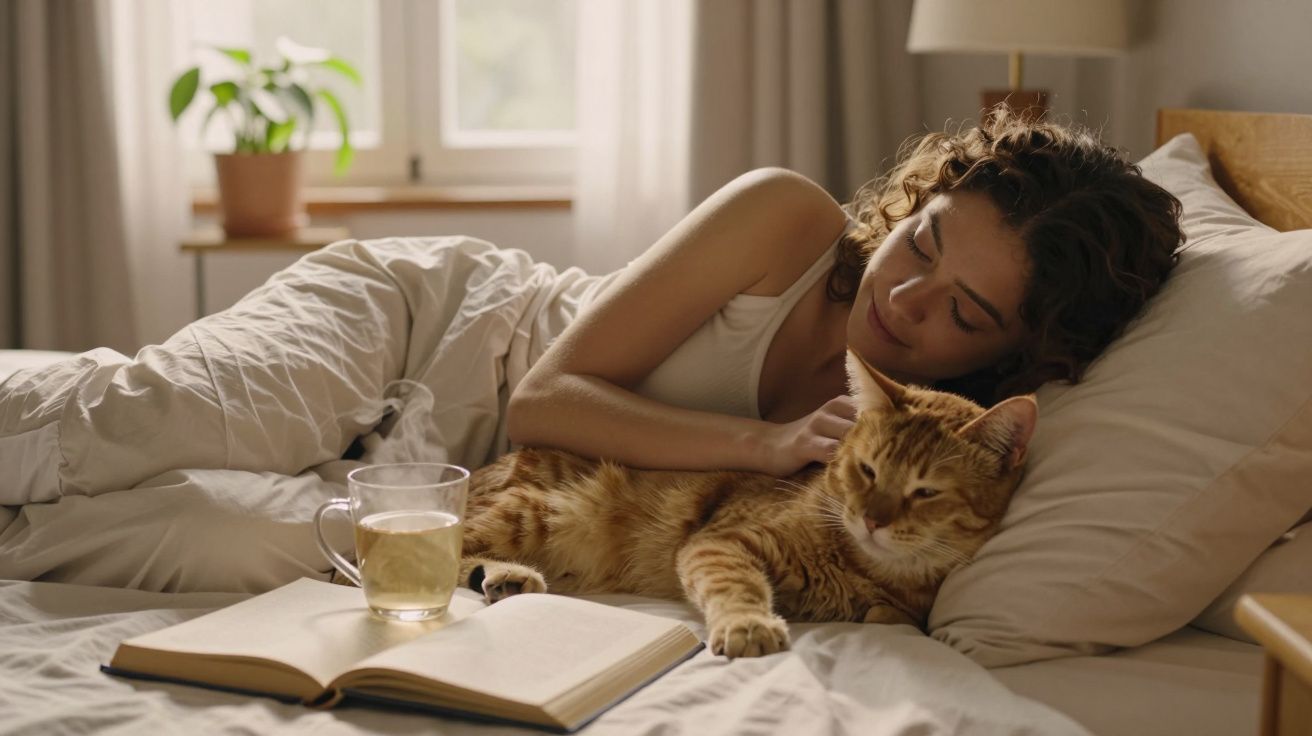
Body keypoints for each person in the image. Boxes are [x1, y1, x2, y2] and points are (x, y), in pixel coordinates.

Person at [0, 107, 1182, 506]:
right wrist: (763, 444)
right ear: (919, 201)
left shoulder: (928, 447)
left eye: (964, 314)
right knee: (163, 420)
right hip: (427, 324)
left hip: (447, 486)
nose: (906, 296)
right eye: (922, 241)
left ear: (1016, 352)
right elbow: (546, 401)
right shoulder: (790, 221)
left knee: (205, 533)